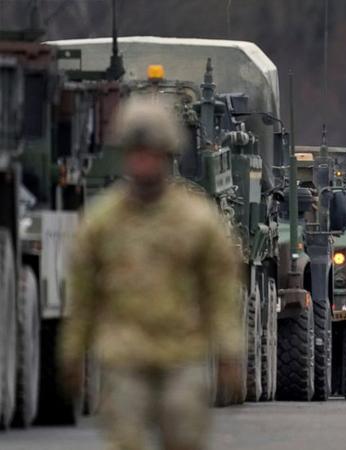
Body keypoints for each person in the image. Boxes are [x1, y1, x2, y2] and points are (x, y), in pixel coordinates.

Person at [59, 98, 243, 450]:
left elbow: (220, 293)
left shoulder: (198, 221)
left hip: (182, 354)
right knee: (125, 441)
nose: (143, 161)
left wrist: (228, 354)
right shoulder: (102, 222)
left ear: (168, 154)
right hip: (123, 357)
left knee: (185, 437)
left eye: (152, 152)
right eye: (135, 152)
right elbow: (82, 295)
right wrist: (72, 354)